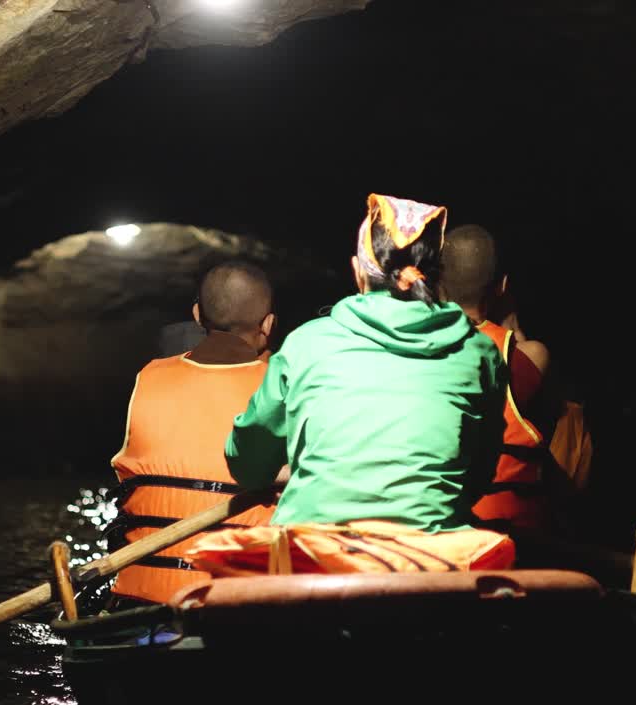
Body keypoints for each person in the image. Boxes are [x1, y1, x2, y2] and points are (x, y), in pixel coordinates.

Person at [187, 194, 514, 575]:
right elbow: (478, 475)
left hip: (316, 559)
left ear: (359, 272)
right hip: (432, 561)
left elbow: (246, 464)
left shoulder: (306, 344)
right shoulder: (480, 353)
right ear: (437, 276)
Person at [107, 260, 280, 605]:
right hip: (242, 602)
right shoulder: (283, 384)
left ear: (197, 315)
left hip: (143, 601)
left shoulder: (148, 377)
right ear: (268, 325)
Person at [442, 224, 591, 534]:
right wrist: (514, 329)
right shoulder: (525, 355)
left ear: (438, 284)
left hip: (436, 528)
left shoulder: (412, 342)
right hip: (508, 539)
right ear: (502, 286)